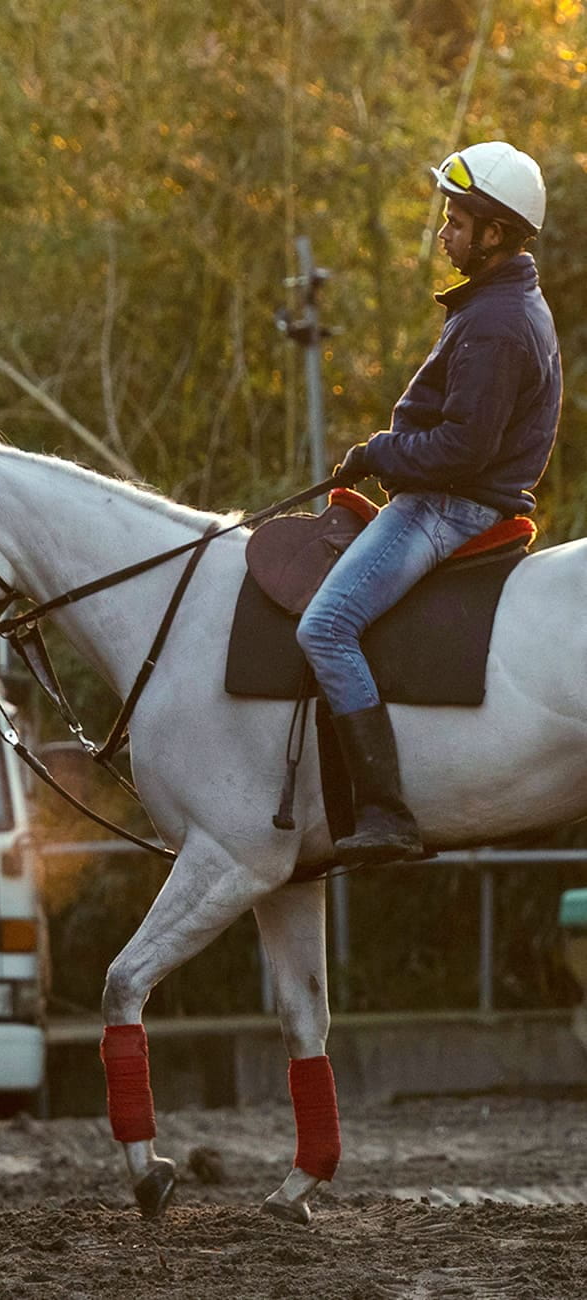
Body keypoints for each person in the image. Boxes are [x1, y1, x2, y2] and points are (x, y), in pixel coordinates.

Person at [296, 141, 562, 866]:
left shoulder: (497, 324)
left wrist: (380, 452)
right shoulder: (498, 306)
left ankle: (385, 810)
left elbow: (460, 452)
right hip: (447, 500)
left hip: (448, 508)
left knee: (325, 627)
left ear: (495, 233)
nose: (443, 232)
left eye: (455, 220)